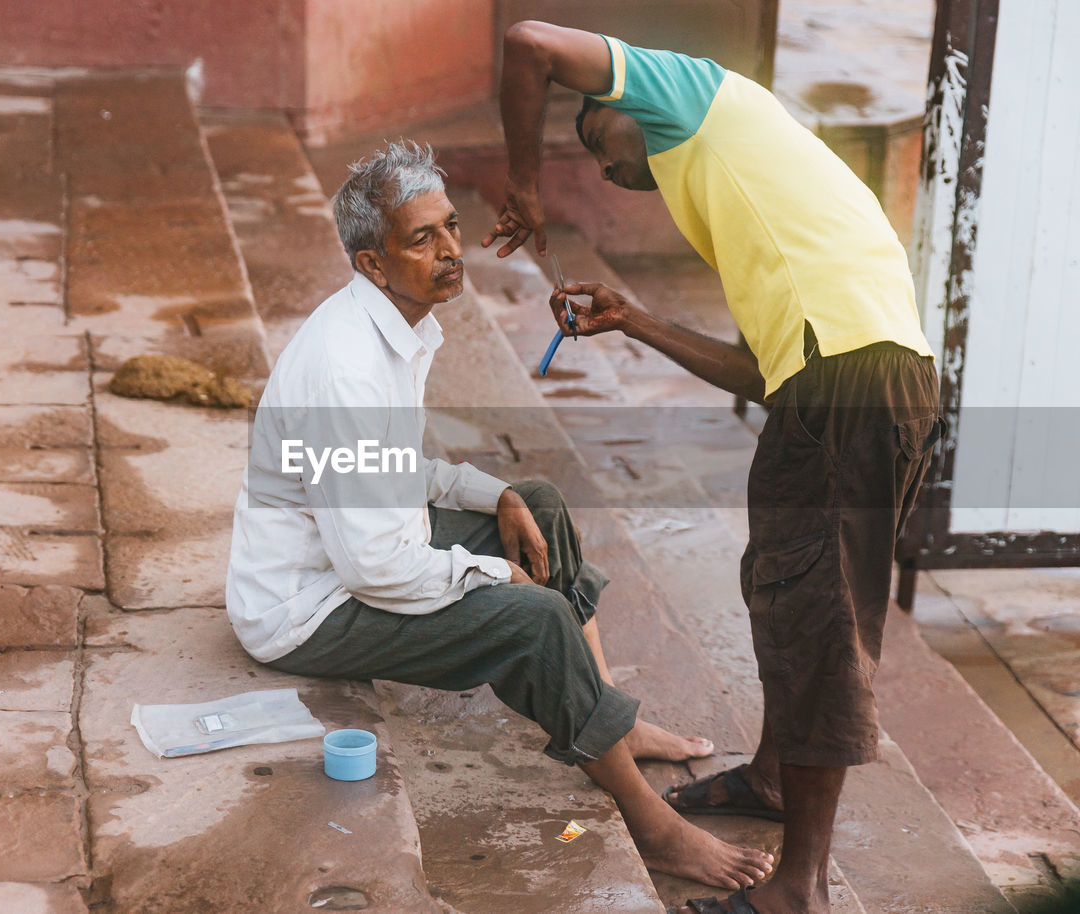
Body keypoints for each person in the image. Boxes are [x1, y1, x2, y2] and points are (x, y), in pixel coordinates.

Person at [225, 140, 773, 891]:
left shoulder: (393, 323)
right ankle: (654, 824)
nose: (451, 250)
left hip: (352, 557)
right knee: (534, 617)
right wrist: (491, 573)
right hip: (308, 606)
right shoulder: (344, 369)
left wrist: (500, 498)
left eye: (449, 227)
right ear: (371, 264)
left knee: (539, 504)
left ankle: (607, 713)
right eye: (422, 239)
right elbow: (374, 568)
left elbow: (391, 469)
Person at [484, 22, 942, 914]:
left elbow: (528, 42)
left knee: (817, 622)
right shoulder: (735, 187)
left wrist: (522, 186)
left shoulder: (694, 93)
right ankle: (775, 778)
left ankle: (798, 890)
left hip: (855, 384)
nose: (610, 173)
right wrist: (638, 321)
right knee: (786, 591)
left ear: (630, 106)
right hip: (842, 384)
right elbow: (760, 377)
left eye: (597, 144)